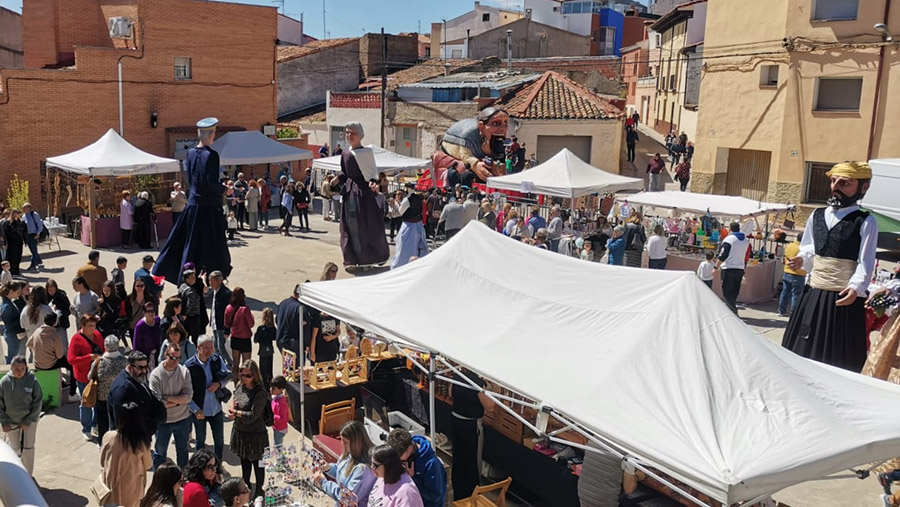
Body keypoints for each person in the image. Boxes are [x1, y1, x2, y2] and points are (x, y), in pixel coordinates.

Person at [782, 161, 878, 372]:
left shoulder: (865, 220)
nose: (836, 187)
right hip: (813, 292)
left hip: (841, 297)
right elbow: (809, 247)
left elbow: (866, 261)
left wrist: (856, 288)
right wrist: (801, 259)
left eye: (845, 183)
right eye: (834, 181)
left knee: (836, 354)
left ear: (863, 187)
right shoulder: (816, 215)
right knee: (801, 347)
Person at [155, 118, 232, 284]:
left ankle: (185, 278)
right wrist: (225, 190)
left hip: (193, 206)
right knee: (213, 247)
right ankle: (213, 279)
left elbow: (192, 179)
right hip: (208, 208)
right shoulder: (212, 155)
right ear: (211, 134)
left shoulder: (189, 153)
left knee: (190, 244)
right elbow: (210, 182)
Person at [330, 122, 391, 267]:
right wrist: (338, 178)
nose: (349, 135)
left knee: (366, 226)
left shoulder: (366, 153)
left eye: (352, 133)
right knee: (349, 226)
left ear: (360, 135)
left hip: (364, 194)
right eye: (347, 132)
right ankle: (352, 258)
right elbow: (345, 172)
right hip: (350, 193)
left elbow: (372, 174)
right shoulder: (345, 153)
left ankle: (369, 258)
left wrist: (373, 183)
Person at [433, 107, 509, 185]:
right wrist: (476, 165)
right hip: (453, 149)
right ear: (481, 126)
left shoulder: (498, 142)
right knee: (464, 169)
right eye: (496, 123)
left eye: (505, 122)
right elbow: (466, 156)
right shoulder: (469, 135)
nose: (503, 128)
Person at [450, 368, 494, 500]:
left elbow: (451, 393)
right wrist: (488, 388)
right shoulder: (477, 383)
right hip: (471, 425)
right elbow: (490, 406)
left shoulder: (457, 375)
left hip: (455, 419)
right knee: (472, 460)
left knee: (458, 457)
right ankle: (472, 494)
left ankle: (458, 494)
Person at [149, 342, 193, 469]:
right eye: (173, 357)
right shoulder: (156, 375)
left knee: (183, 452)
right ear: (165, 355)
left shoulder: (184, 372)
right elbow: (158, 404)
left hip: (182, 419)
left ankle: (183, 477)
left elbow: (188, 397)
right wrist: (179, 401)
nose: (176, 361)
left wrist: (167, 398)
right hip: (164, 421)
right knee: (160, 453)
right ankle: (158, 479)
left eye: (178, 358)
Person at [100, 402, 153, 507]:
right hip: (131, 493)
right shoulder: (141, 443)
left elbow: (102, 461)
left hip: (109, 490)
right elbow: (148, 465)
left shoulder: (108, 436)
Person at [186, 335, 230, 462]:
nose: (209, 351)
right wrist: (195, 410)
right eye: (206, 348)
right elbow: (185, 392)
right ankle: (200, 467)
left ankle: (217, 466)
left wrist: (219, 384)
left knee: (219, 441)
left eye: (211, 347)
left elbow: (227, 375)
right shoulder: (189, 366)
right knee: (200, 442)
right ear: (198, 348)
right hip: (200, 411)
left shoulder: (216, 359)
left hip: (216, 409)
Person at [229, 359, 269, 495]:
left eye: (248, 375)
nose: (244, 378)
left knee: (259, 465)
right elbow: (235, 399)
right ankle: (246, 490)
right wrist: (232, 408)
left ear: (255, 376)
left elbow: (253, 415)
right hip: (241, 433)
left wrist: (236, 413)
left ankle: (259, 491)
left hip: (256, 435)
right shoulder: (240, 385)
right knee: (245, 464)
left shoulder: (260, 392)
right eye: (242, 374)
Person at [315, 420, 376, 507]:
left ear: (356, 443)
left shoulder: (363, 470)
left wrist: (324, 483)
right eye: (341, 440)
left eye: (345, 441)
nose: (342, 443)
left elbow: (347, 498)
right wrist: (329, 468)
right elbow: (341, 471)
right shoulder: (350, 453)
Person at [108, 350, 167, 441]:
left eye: (146, 367)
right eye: (140, 367)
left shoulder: (137, 378)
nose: (144, 371)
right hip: (131, 441)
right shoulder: (122, 389)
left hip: (142, 435)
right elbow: (121, 421)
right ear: (129, 366)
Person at [0, 355, 42, 475]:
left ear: (26, 368)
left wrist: (28, 421)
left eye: (22, 369)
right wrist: (4, 422)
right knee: (13, 448)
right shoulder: (4, 382)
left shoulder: (32, 382)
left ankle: (27, 474)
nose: (20, 372)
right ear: (11, 367)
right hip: (11, 422)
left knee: (28, 448)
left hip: (29, 422)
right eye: (16, 369)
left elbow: (38, 403)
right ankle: (16, 473)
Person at [68, 313, 105, 441]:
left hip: (98, 374)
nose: (93, 328)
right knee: (86, 403)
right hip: (83, 377)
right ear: (82, 326)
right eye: (90, 325)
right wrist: (88, 358)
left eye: (94, 325)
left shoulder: (97, 335)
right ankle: (86, 428)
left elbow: (103, 349)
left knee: (98, 402)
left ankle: (95, 424)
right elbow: (71, 359)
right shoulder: (76, 339)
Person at [388, 428, 447, 507]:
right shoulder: (406, 451)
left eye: (399, 457)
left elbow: (434, 497)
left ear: (409, 448)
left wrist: (413, 478)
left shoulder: (432, 464)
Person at [91, 336, 127, 443]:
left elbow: (90, 376)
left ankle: (102, 442)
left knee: (102, 421)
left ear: (105, 347)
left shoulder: (99, 361)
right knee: (118, 421)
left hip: (102, 396)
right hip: (119, 396)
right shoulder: (124, 361)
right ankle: (118, 442)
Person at [391, 184, 429, 270]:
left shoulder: (407, 199)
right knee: (419, 246)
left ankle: (400, 265)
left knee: (403, 247)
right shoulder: (419, 198)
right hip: (418, 225)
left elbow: (400, 212)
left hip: (408, 225)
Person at [715, 222, 750, 315]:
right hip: (739, 268)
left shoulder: (729, 239)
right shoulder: (746, 240)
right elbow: (747, 256)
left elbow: (723, 254)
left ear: (730, 229)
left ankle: (732, 310)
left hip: (728, 267)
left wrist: (716, 266)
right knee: (735, 290)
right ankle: (731, 308)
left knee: (727, 291)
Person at [224, 287, 254, 379]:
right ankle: (245, 383)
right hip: (245, 339)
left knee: (235, 364)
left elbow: (226, 323)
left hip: (235, 338)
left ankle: (236, 383)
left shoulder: (228, 308)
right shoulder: (245, 309)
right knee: (246, 365)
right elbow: (251, 324)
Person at [206, 271, 232, 367]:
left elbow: (228, 313)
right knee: (216, 347)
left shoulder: (226, 294)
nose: (210, 283)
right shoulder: (214, 292)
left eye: (211, 281)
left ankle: (231, 365)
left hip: (221, 325)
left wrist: (227, 328)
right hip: (214, 323)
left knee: (222, 348)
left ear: (218, 281)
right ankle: (221, 365)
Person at [778, 232, 806, 317]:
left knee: (785, 292)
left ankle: (781, 311)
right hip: (798, 274)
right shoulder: (803, 249)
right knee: (796, 295)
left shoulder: (789, 246)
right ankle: (794, 313)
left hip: (787, 271)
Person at [19, 285, 52, 358]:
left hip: (31, 339)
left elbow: (22, 325)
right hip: (45, 339)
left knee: (33, 356)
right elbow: (53, 322)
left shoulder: (25, 310)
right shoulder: (47, 309)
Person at [133, 303, 162, 367]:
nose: (151, 313)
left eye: (152, 311)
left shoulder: (157, 320)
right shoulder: (140, 326)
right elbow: (136, 345)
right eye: (148, 311)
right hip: (145, 357)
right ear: (144, 313)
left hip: (158, 354)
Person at [275, 284, 302, 354]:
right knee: (294, 361)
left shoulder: (283, 302)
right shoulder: (298, 307)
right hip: (290, 343)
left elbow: (277, 320)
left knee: (286, 360)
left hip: (280, 339)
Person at [178, 270, 203, 341]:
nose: (194, 279)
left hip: (185, 315)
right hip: (193, 316)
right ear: (186, 279)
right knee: (195, 337)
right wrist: (186, 313)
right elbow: (190, 304)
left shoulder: (182, 286)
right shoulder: (190, 291)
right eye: (192, 278)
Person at [254, 308, 276, 389]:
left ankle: (263, 386)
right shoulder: (273, 329)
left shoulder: (261, 328)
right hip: (270, 349)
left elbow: (255, 340)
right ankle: (270, 385)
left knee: (263, 370)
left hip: (262, 350)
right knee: (269, 369)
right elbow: (275, 337)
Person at [21, 203, 43, 272]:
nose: (23, 209)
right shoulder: (24, 216)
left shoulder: (34, 214)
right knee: (33, 249)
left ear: (29, 208)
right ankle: (38, 260)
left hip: (33, 234)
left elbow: (39, 224)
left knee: (33, 250)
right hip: (27, 235)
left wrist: (38, 233)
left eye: (24, 208)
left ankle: (33, 265)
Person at [3, 210, 26, 275]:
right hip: (11, 242)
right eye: (17, 213)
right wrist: (5, 243)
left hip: (19, 241)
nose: (18, 214)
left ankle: (16, 270)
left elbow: (24, 232)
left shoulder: (21, 222)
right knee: (11, 256)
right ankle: (10, 270)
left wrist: (25, 240)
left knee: (18, 256)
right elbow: (6, 233)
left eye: (19, 213)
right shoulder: (8, 223)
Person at [270, 375, 290, 447]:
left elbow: (282, 417)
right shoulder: (276, 398)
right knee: (277, 444)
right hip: (276, 426)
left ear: (281, 389)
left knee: (277, 446)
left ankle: (280, 454)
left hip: (280, 428)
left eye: (273, 388)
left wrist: (272, 416)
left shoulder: (281, 403)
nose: (271, 389)